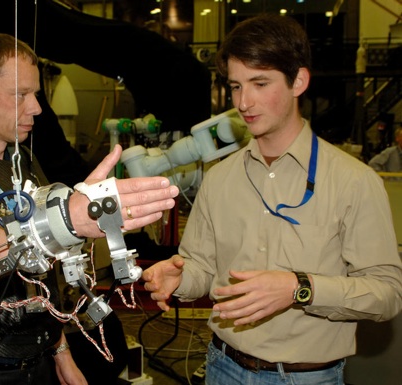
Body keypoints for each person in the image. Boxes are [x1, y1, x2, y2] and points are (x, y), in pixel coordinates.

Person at [0, 32, 178, 385]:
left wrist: (62, 356)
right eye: (20, 95)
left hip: (36, 364)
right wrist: (57, 222)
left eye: (36, 94)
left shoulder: (22, 164)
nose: (36, 108)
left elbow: (40, 282)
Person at [141, 14, 402, 385]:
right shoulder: (219, 179)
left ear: (299, 81)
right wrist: (178, 278)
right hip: (222, 367)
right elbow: (201, 267)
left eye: (259, 83)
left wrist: (299, 288)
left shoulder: (354, 182)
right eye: (235, 86)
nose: (244, 102)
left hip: (308, 377)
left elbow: (387, 293)